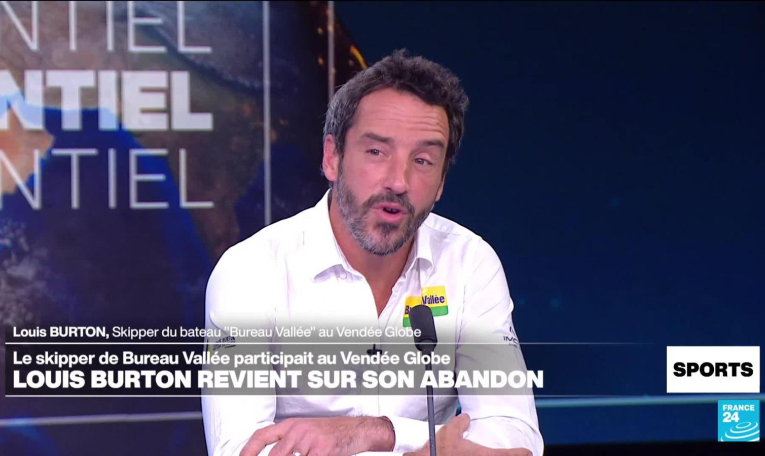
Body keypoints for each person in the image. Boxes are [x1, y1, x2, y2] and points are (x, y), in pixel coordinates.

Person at [202, 50, 544, 456]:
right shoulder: (250, 272)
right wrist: (428, 445)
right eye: (377, 152)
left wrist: (375, 432)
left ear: (440, 183)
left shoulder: (469, 264)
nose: (399, 181)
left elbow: (516, 436)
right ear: (332, 157)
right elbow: (240, 449)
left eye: (423, 160)